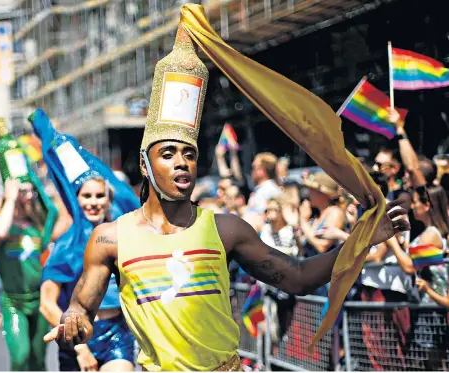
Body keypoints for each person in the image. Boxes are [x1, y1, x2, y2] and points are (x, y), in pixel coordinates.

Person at [42, 26, 411, 370]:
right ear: (144, 163)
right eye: (167, 154)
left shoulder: (226, 229)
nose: (181, 163)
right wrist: (74, 324)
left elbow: (298, 278)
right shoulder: (111, 238)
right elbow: (81, 307)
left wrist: (363, 240)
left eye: (188, 154)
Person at [29, 109, 139, 372]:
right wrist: (80, 348)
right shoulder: (66, 245)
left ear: (109, 199)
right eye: (86, 196)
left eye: (99, 196)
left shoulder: (124, 237)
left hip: (117, 334)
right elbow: (47, 303)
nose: (93, 202)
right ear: (76, 200)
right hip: (77, 338)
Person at [0, 179, 58, 371]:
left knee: (38, 361)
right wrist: (10, 197)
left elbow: (53, 211)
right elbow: (0, 231)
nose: (27, 196)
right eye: (22, 192)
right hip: (13, 303)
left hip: (39, 300)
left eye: (30, 192)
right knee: (20, 357)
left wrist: (34, 179)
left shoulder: (36, 225)